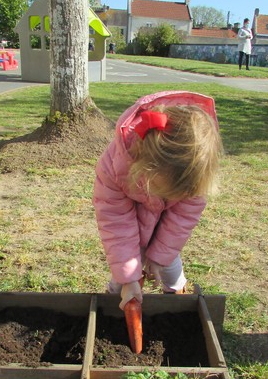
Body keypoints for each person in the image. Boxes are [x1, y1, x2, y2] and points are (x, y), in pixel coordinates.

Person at [93, 91, 223, 310]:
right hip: (130, 222)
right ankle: (115, 305)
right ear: (147, 172)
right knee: (124, 273)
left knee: (169, 264)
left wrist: (159, 258)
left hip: (165, 223)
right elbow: (116, 224)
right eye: (167, 190)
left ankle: (177, 302)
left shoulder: (195, 172)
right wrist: (129, 279)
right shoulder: (114, 169)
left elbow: (181, 220)